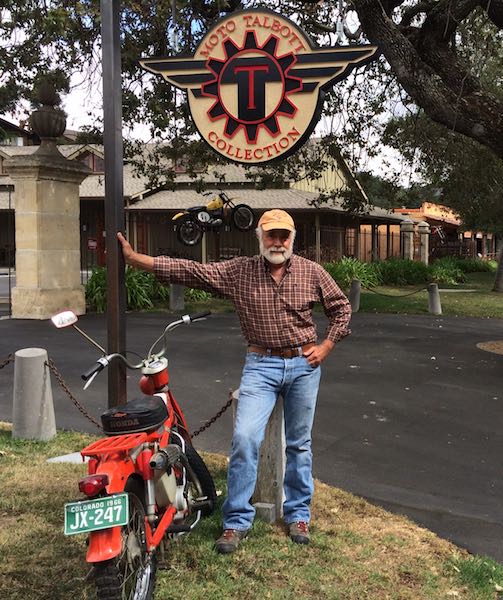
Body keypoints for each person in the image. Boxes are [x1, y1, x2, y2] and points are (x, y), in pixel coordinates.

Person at [116, 209, 351, 553]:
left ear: (293, 238)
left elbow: (341, 308)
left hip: (303, 364)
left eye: (284, 235)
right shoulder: (239, 272)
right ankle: (236, 521)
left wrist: (327, 346)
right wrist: (138, 260)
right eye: (271, 235)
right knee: (244, 439)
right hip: (261, 366)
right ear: (259, 236)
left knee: (299, 443)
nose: (277, 242)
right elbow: (191, 271)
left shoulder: (312, 271)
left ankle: (298, 514)